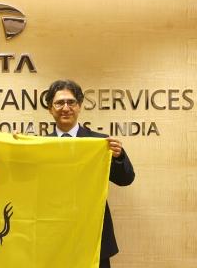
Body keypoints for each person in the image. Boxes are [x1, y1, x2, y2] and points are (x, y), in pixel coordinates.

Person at [45, 79, 135, 268]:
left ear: (79, 107)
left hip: (93, 234)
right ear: (50, 108)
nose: (65, 108)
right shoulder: (40, 145)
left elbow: (126, 179)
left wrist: (118, 157)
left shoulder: (100, 142)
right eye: (59, 103)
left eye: (71, 102)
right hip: (53, 236)